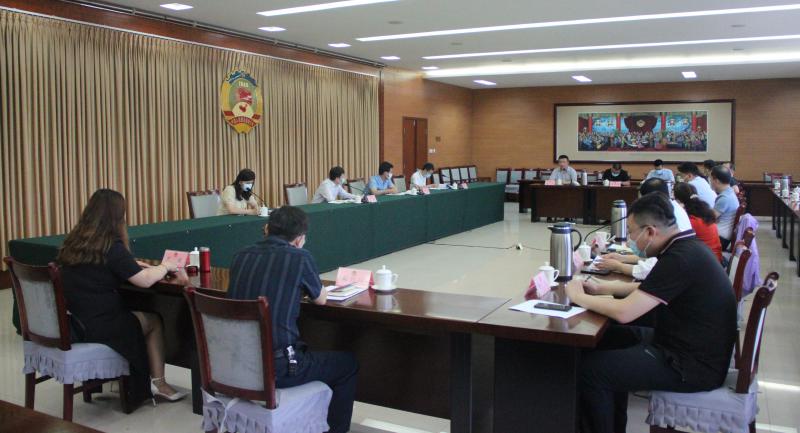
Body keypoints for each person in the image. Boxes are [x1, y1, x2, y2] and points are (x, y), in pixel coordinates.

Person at [565, 192, 736, 433]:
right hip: (682, 343)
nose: (631, 239)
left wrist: (578, 297)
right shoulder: (685, 247)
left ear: (650, 232)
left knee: (591, 372)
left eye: (632, 232)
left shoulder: (680, 258)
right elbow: (650, 289)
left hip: (691, 365)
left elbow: (625, 312)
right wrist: (602, 288)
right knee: (606, 338)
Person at [227, 206, 358, 433]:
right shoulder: (299, 257)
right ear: (299, 239)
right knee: (348, 364)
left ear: (267, 229)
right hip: (277, 368)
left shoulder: (240, 255)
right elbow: (320, 299)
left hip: (234, 362)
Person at [57, 189, 186, 408]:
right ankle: (160, 384)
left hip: (76, 321)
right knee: (153, 321)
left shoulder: (73, 243)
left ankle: (127, 378)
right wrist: (165, 266)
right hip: (100, 325)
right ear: (117, 218)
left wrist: (132, 265)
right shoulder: (111, 246)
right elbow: (145, 281)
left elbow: (103, 269)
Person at [594, 178, 691, 279]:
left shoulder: (666, 217)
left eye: (631, 231)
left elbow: (649, 270)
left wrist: (619, 266)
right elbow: (654, 259)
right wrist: (622, 258)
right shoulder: (671, 209)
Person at [674, 182, 723, 262]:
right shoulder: (705, 212)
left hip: (708, 262)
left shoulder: (691, 221)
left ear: (679, 202)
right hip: (716, 257)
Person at [709, 165, 740, 250]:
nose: (710, 181)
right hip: (723, 235)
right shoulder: (729, 193)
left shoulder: (725, 198)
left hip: (720, 238)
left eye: (711, 179)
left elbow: (709, 218)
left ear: (716, 181)